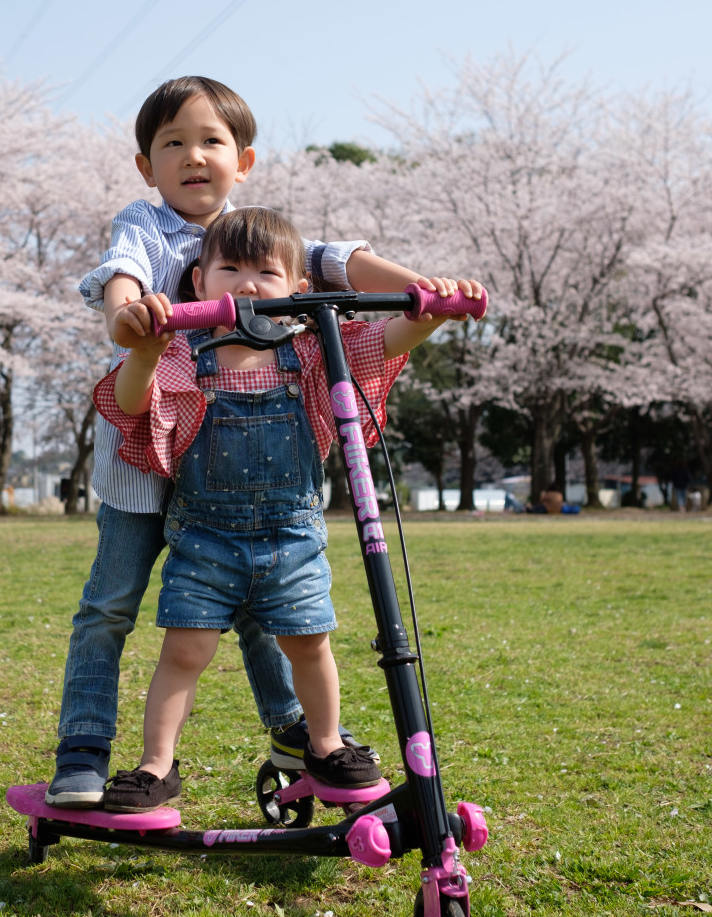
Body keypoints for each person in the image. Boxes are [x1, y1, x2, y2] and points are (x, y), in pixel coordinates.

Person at [48, 75, 487, 809]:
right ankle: (85, 749)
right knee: (111, 605)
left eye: (211, 141)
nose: (194, 156)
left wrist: (425, 292)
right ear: (146, 166)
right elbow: (123, 281)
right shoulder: (146, 226)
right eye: (174, 144)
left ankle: (300, 733)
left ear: (242, 160)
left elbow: (338, 263)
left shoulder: (258, 238)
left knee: (265, 608)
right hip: (144, 445)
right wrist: (132, 324)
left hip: (243, 501)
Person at [92, 208, 464, 810]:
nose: (246, 283)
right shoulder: (186, 351)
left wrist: (429, 315)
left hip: (291, 539)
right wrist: (147, 352)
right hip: (204, 540)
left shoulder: (313, 351)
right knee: (184, 652)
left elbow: (383, 345)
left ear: (297, 290)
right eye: (229, 268)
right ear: (198, 282)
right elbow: (135, 403)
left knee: (309, 644)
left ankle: (323, 744)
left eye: (266, 272)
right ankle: (156, 766)